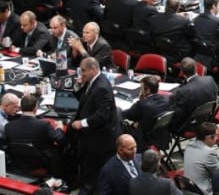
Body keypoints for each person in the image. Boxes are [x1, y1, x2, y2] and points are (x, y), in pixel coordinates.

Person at [71, 57, 120, 193]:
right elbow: (84, 100)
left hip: (101, 139)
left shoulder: (101, 87)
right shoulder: (92, 81)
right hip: (92, 137)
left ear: (93, 69)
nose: (82, 74)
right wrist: (78, 85)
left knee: (94, 173)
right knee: (89, 170)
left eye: (84, 71)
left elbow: (102, 116)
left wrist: (82, 123)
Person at [4, 94, 63, 176]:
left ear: (21, 107)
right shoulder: (44, 125)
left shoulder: (8, 126)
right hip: (41, 163)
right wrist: (59, 128)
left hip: (19, 163)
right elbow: (59, 139)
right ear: (35, 108)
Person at [122, 75, 171, 151]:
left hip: (145, 139)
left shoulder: (143, 104)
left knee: (121, 125)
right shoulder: (166, 99)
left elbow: (128, 115)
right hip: (162, 136)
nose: (140, 90)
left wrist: (140, 100)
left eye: (141, 88)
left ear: (148, 90)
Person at [169, 58, 218, 133]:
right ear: (196, 67)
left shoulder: (183, 91)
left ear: (181, 71)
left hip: (188, 126)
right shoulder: (210, 80)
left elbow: (177, 115)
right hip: (206, 119)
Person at [183, 122, 219, 195]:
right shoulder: (209, 153)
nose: (217, 138)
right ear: (208, 138)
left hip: (190, 189)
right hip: (204, 191)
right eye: (216, 135)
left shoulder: (189, 145)